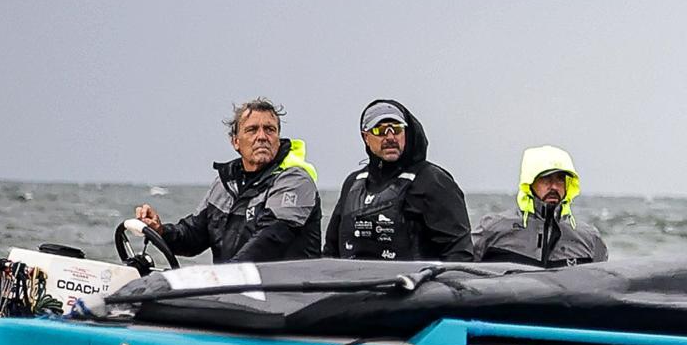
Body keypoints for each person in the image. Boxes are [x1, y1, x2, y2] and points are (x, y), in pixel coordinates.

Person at [131, 98, 321, 265]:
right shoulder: (225, 184)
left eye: (270, 130)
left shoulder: (295, 181)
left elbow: (271, 239)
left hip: (288, 297)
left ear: (278, 139)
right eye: (252, 130)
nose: (262, 137)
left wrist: (221, 279)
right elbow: (193, 236)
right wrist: (161, 231)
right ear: (235, 141)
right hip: (236, 292)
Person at [324, 101, 471, 262]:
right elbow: (331, 250)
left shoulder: (433, 181)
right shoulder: (353, 184)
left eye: (397, 129)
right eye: (380, 131)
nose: (390, 137)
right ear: (366, 137)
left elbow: (459, 251)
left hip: (410, 284)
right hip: (356, 282)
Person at [473, 146, 609, 269]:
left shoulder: (589, 238)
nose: (554, 186)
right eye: (546, 179)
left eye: (560, 179)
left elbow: (603, 288)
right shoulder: (493, 228)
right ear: (529, 182)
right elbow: (460, 277)